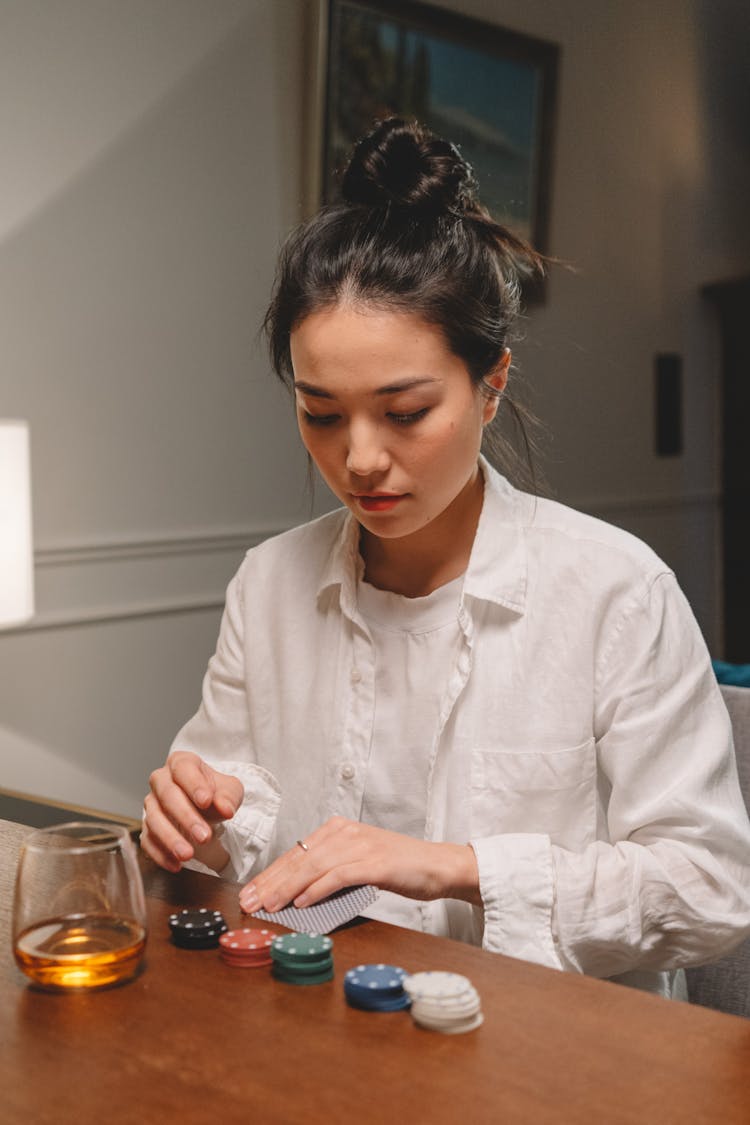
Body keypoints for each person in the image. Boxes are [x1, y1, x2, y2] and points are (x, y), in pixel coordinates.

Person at [141, 117, 750, 996]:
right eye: (320, 412)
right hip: (330, 1024)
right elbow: (225, 818)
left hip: (555, 1051)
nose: (358, 458)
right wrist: (190, 816)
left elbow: (712, 889)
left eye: (404, 411)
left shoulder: (615, 590)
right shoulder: (268, 583)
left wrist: (452, 866)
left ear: (490, 386)